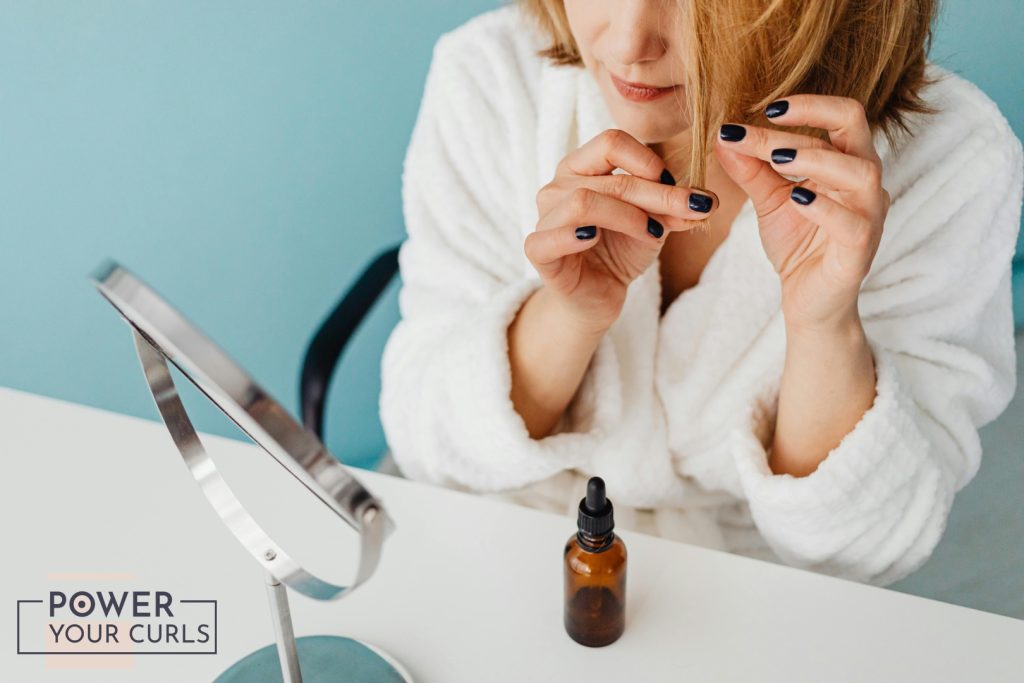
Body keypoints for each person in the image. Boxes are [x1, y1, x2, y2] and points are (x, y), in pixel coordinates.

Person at [378, 0, 1024, 586]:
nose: (630, 41)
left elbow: (866, 547)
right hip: (504, 540)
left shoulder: (952, 159)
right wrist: (569, 313)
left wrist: (824, 324)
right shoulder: (492, 77)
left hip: (760, 587)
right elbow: (429, 443)